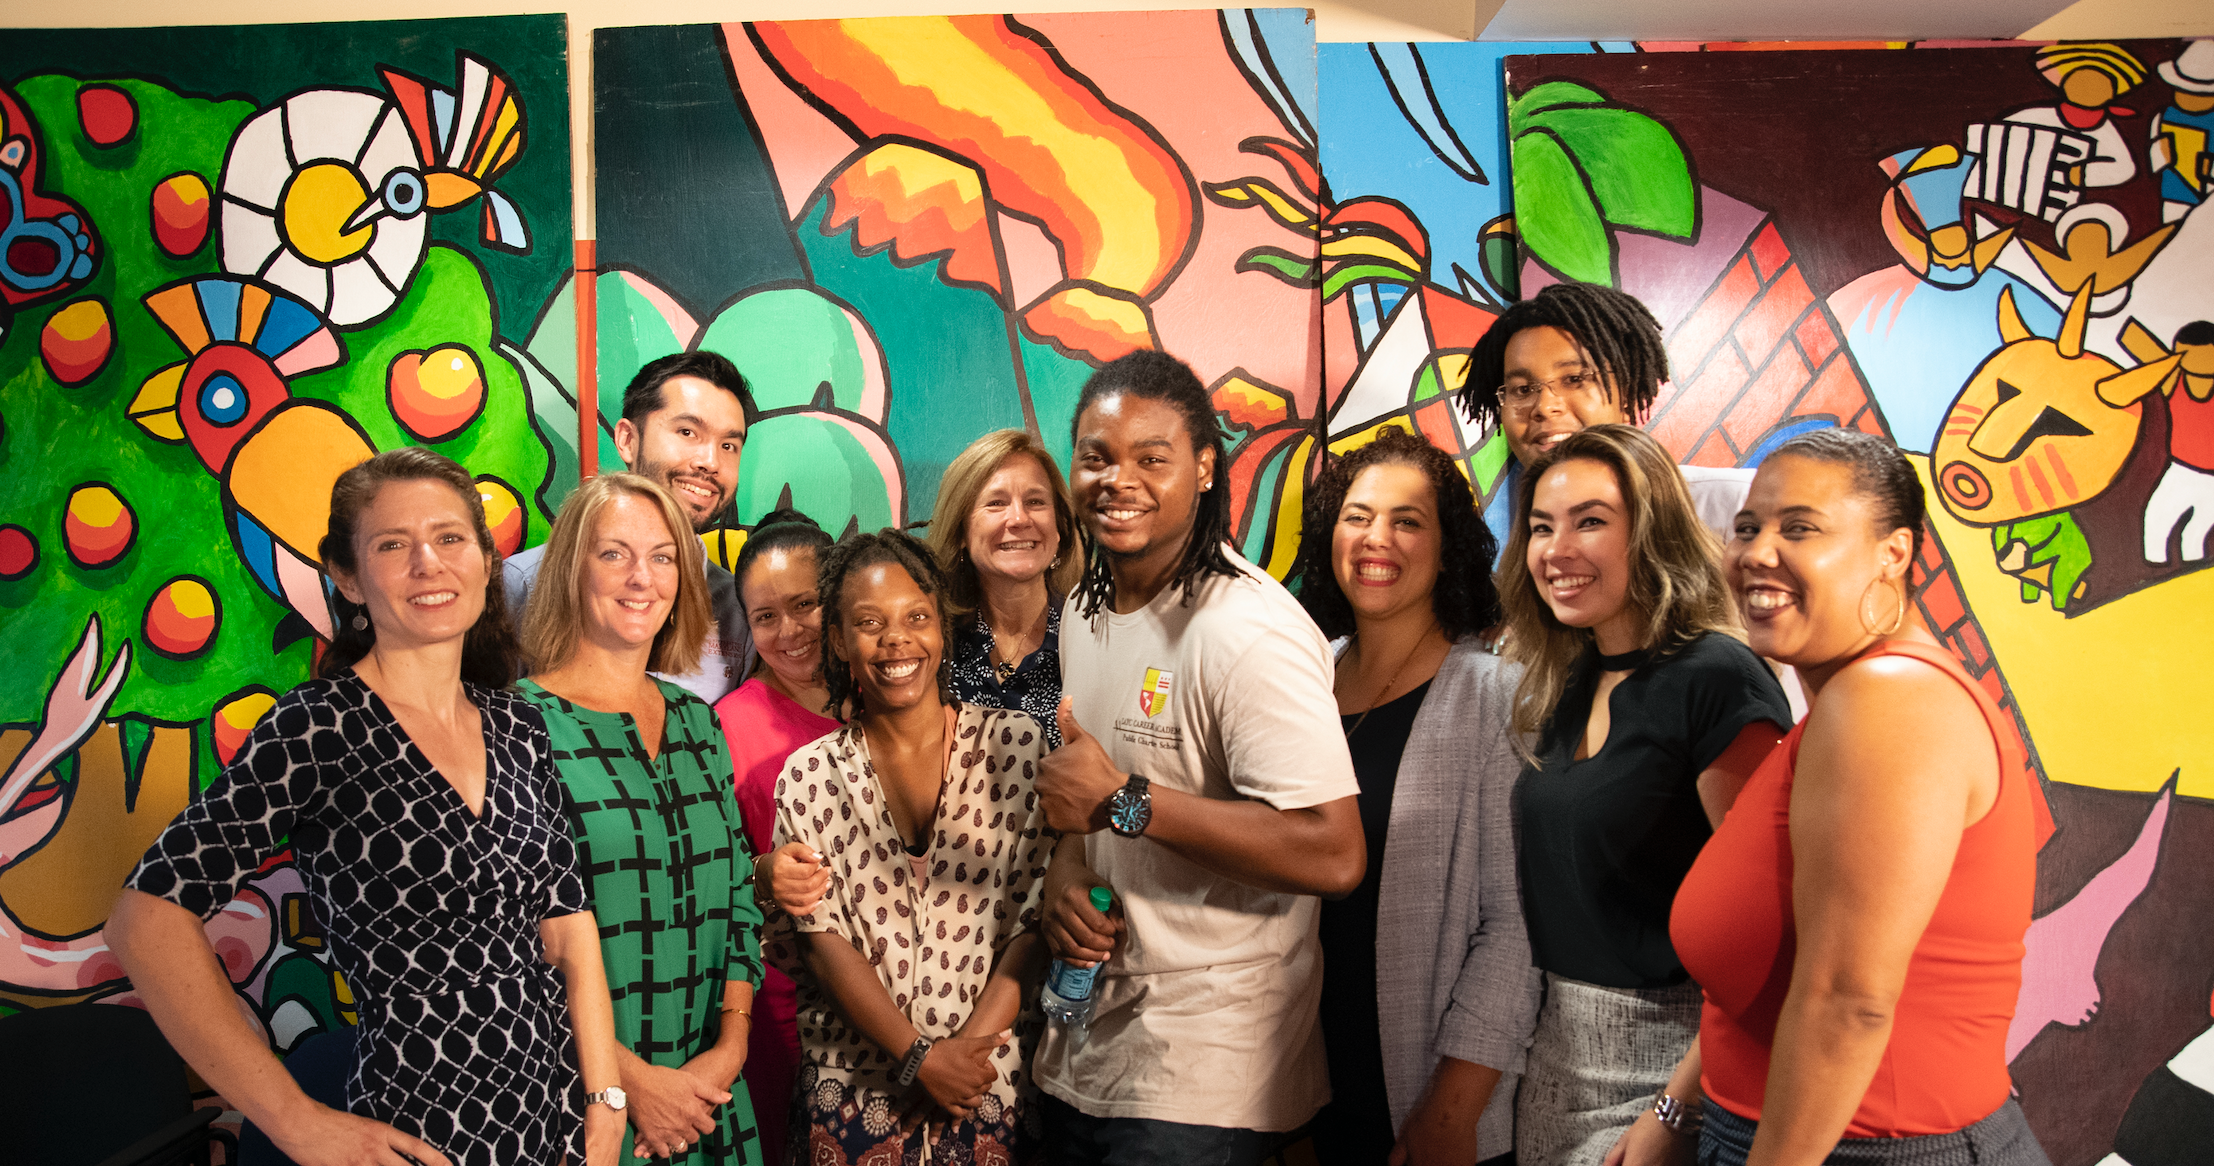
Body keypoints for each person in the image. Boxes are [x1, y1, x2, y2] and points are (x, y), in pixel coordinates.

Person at [109, 447, 623, 1166]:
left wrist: (604, 1105)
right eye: (392, 544)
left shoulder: (517, 724)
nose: (429, 563)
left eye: (450, 538)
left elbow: (568, 930)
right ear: (348, 578)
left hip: (557, 1124)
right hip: (416, 1130)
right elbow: (145, 918)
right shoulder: (320, 726)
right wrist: (295, 1121)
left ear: (482, 558)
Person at [1658, 428, 2055, 1166]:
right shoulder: (1847, 701)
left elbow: (1849, 1000)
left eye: (1800, 528)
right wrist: (1677, 1111)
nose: (1757, 552)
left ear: (1893, 553)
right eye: (1747, 527)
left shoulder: (1887, 699)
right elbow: (1772, 979)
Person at [1034, 349, 1366, 1165]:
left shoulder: (1249, 630)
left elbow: (1334, 851)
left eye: (1154, 458)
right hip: (1086, 1050)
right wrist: (1067, 871)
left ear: (1206, 468)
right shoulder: (1084, 607)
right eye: (1097, 457)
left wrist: (1123, 802)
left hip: (1208, 1078)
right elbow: (1090, 795)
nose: (1120, 480)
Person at [1499, 425, 1791, 1166]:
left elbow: (1775, 934)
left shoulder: (1717, 678)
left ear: (1651, 531)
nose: (1556, 550)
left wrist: (1678, 1106)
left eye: (1590, 521)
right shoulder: (1567, 677)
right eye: (1541, 526)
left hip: (1677, 1069)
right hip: (1556, 1065)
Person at [1285, 425, 1538, 1166]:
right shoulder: (1303, 681)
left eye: (1407, 521)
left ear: (1447, 544)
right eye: (1358, 516)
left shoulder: (1496, 697)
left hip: (1430, 1100)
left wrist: (1452, 1112)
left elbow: (1516, 930)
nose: (1376, 539)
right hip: (1303, 1087)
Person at [767, 530, 1055, 1165]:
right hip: (851, 1094)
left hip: (988, 1084)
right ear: (839, 639)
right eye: (870, 623)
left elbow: (1032, 921)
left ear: (941, 630)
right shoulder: (810, 775)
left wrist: (961, 1060)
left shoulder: (1015, 747)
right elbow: (823, 943)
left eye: (916, 617)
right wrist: (919, 1057)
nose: (896, 639)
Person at [516, 472, 767, 1166]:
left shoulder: (697, 724)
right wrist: (636, 1084)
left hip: (711, 1100)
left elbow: (740, 897)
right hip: (589, 1105)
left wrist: (731, 1045)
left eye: (662, 557)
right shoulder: (514, 728)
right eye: (614, 554)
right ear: (571, 568)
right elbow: (516, 948)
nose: (642, 578)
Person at [1456, 281, 1806, 716]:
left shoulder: (1736, 508)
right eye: (1522, 390)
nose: (1544, 406)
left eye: (1574, 379)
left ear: (1626, 386)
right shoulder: (1532, 564)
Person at [508, 351, 756, 702]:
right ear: (627, 439)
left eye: (728, 445)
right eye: (687, 432)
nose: (710, 462)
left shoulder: (739, 609)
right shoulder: (521, 585)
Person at [712, 507, 838, 1162]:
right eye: (765, 617)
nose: (789, 632)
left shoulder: (893, 702)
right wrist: (762, 873)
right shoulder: (728, 725)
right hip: (777, 1011)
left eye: (806, 605)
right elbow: (703, 873)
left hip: (896, 1006)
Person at [925, 428, 1084, 749]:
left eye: (1035, 501)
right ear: (960, 530)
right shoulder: (930, 642)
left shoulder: (1092, 637)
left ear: (1061, 528)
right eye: (996, 503)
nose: (1019, 518)